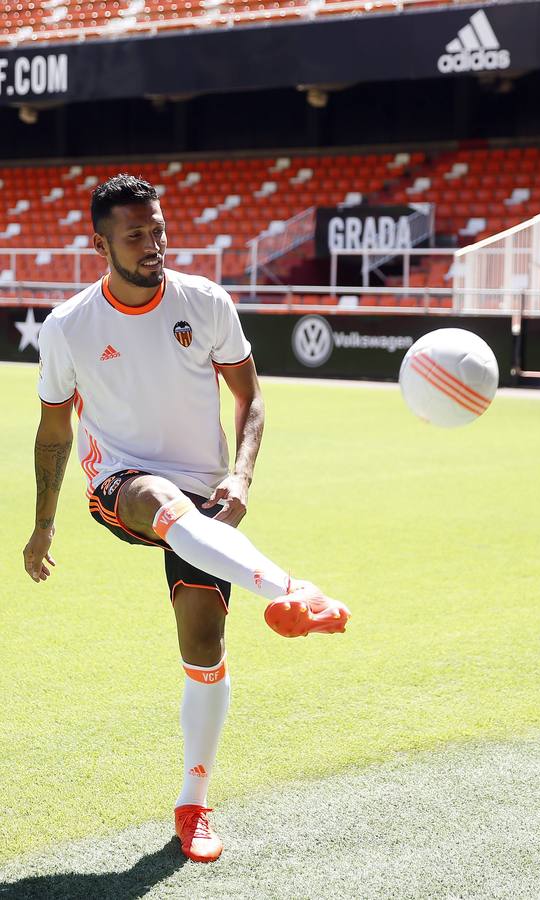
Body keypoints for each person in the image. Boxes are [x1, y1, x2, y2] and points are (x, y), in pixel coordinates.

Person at [23, 174, 350, 863]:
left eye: (159, 230)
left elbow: (251, 399)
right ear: (101, 242)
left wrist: (242, 475)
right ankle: (293, 590)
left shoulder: (204, 302)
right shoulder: (69, 325)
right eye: (136, 235)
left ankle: (193, 802)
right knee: (160, 501)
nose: (153, 245)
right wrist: (45, 521)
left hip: (205, 497)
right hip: (122, 481)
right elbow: (54, 431)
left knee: (204, 651)